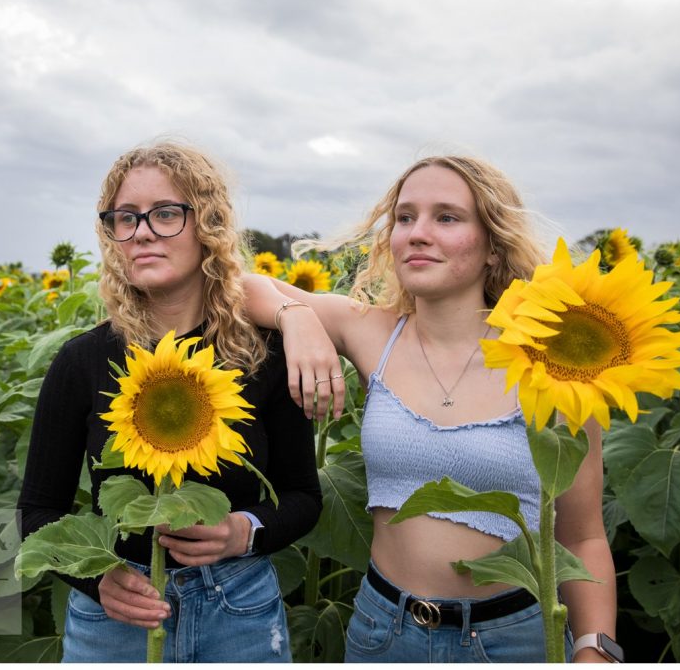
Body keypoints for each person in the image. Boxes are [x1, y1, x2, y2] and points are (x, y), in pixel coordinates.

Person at [244, 156, 618, 662]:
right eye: (404, 218)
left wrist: (597, 648)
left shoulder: (556, 364)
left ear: (492, 244)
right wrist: (298, 318)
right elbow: (238, 287)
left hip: (513, 637)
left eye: (446, 217)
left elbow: (583, 535)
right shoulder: (372, 332)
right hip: (385, 631)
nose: (417, 233)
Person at [18, 141, 322, 663]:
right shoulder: (84, 361)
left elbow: (301, 495)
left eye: (165, 214)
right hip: (115, 617)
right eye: (125, 218)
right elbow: (37, 509)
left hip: (237, 607)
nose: (141, 232)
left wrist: (241, 532)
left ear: (207, 224)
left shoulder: (261, 356)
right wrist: (96, 579)